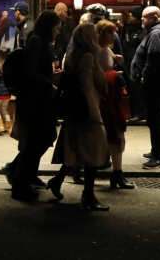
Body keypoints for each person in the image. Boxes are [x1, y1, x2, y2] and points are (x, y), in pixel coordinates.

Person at [45, 23, 111, 210]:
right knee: (94, 152)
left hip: (76, 112)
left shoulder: (75, 55)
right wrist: (94, 114)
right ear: (88, 37)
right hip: (86, 112)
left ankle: (57, 181)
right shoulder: (87, 56)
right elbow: (86, 86)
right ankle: (88, 195)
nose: (97, 36)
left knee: (76, 150)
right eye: (94, 34)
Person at [8, 10, 63, 200]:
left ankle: (21, 176)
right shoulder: (36, 41)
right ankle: (20, 183)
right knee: (37, 140)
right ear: (49, 27)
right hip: (34, 101)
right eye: (56, 28)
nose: (58, 32)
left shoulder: (39, 40)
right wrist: (49, 85)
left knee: (41, 139)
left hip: (39, 100)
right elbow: (30, 72)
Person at [131, 5, 160, 169]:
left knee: (154, 119)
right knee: (155, 118)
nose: (142, 19)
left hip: (154, 85)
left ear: (155, 18)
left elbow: (154, 55)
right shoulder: (157, 32)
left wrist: (144, 76)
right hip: (157, 84)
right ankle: (156, 150)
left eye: (145, 17)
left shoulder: (156, 34)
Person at [95, 20, 133, 189]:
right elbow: (100, 76)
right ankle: (117, 174)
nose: (113, 36)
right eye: (110, 32)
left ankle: (116, 173)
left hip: (109, 98)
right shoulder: (100, 52)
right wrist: (115, 72)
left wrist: (117, 63)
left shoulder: (106, 50)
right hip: (106, 100)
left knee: (113, 135)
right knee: (114, 135)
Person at [123, 6, 147, 125]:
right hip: (127, 65)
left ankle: (140, 113)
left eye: (133, 16)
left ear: (138, 19)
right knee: (131, 89)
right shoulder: (127, 29)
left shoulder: (143, 32)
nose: (130, 18)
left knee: (138, 90)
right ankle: (132, 112)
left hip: (137, 65)